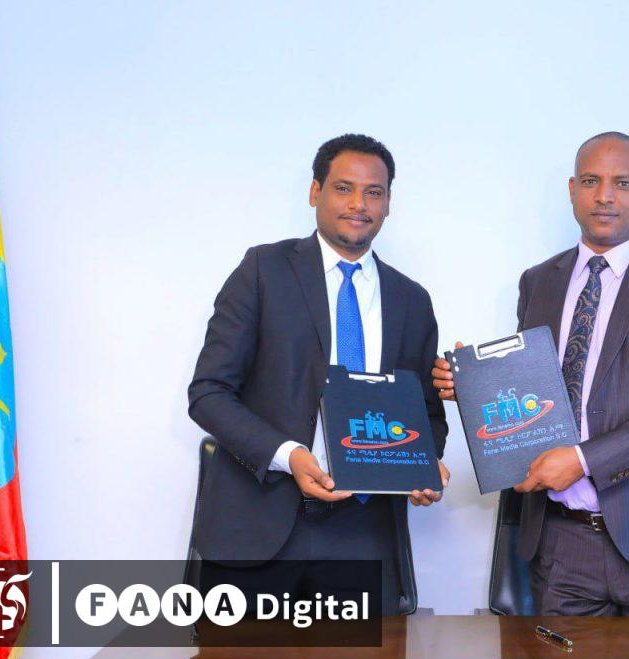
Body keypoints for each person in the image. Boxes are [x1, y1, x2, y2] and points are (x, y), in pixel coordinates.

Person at [433, 132, 629, 618]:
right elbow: (537, 394)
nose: (604, 196)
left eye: (622, 183)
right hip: (561, 546)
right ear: (573, 190)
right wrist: (475, 386)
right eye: (590, 181)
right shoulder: (539, 280)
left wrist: (582, 459)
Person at [189, 133, 450, 616]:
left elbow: (427, 414)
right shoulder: (263, 270)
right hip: (259, 526)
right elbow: (209, 393)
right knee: (239, 658)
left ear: (389, 203)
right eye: (343, 188)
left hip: (364, 535)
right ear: (315, 192)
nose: (359, 204)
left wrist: (423, 465)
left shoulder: (411, 299)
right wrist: (288, 456)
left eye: (374, 192)